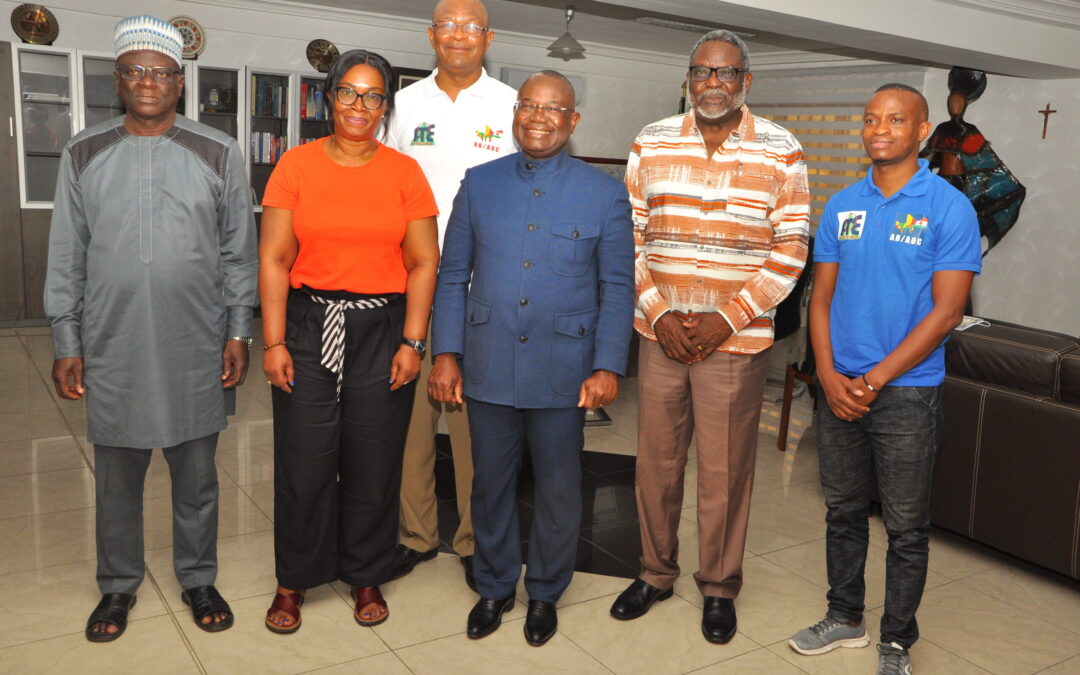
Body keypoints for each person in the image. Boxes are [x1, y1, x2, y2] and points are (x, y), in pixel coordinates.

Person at [44, 15, 257, 642]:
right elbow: (67, 255)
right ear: (118, 78)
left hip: (195, 343)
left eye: (161, 72)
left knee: (197, 477)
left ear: (180, 82)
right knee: (116, 479)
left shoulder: (217, 151)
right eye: (135, 70)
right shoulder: (85, 150)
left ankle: (198, 575)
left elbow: (240, 252)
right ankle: (118, 586)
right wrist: (66, 340)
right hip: (111, 345)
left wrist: (238, 331)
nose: (148, 83)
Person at [609, 29, 809, 644]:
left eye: (726, 74)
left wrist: (728, 316)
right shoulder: (651, 141)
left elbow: (791, 246)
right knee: (656, 466)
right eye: (702, 72)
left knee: (725, 472)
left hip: (737, 342)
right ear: (687, 81)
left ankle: (719, 586)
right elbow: (630, 237)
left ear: (746, 82)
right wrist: (659, 311)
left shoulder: (782, 151)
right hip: (660, 334)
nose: (713, 83)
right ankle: (654, 572)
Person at [430, 71, 634, 646]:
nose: (538, 118)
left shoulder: (604, 193)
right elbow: (452, 276)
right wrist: (446, 353)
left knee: (559, 487)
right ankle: (494, 585)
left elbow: (617, 286)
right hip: (487, 361)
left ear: (573, 120)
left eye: (554, 109)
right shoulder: (480, 183)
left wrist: (607, 365)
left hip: (565, 370)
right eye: (529, 106)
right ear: (514, 114)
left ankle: (545, 591)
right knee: (489, 484)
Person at [788, 84, 980, 674]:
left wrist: (872, 380)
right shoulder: (843, 204)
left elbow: (946, 312)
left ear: (922, 132)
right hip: (837, 385)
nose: (879, 129)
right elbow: (818, 300)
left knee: (905, 528)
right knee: (842, 512)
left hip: (907, 393)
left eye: (896, 120)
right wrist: (825, 372)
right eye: (871, 119)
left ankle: (896, 640)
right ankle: (845, 616)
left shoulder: (950, 207)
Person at [260, 49, 439, 633]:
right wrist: (274, 341)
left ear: (386, 107)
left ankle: (366, 572)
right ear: (330, 97)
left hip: (382, 328)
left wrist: (413, 342)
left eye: (374, 96)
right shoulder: (295, 165)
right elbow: (274, 257)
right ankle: (294, 580)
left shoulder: (405, 174)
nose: (360, 106)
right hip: (310, 325)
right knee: (304, 459)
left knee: (374, 458)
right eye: (349, 93)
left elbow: (422, 263)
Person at [384, 0, 517, 589]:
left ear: (488, 38)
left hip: (483, 287)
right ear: (431, 35)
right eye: (447, 25)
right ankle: (415, 534)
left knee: (473, 425)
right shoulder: (405, 105)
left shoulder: (514, 106)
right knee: (408, 418)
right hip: (410, 282)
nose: (458, 35)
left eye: (470, 26)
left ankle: (470, 540)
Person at [919, 67, 1025, 256]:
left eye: (959, 101)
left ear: (966, 104)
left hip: (961, 183)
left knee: (953, 220)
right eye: (952, 100)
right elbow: (928, 154)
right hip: (941, 180)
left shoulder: (970, 131)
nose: (955, 105)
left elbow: (983, 160)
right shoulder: (942, 129)